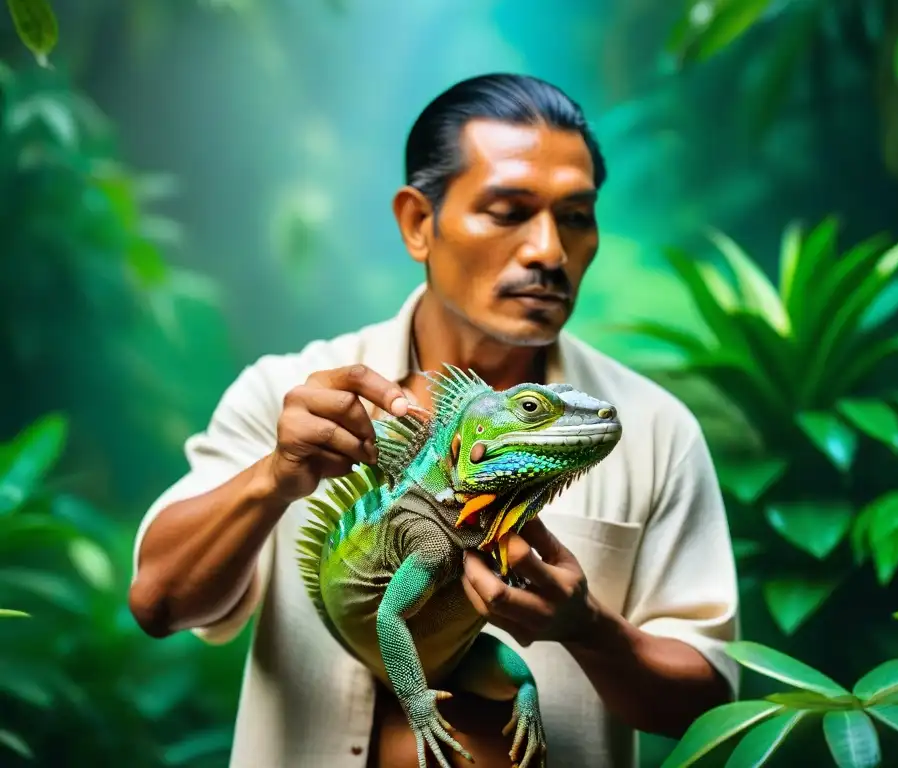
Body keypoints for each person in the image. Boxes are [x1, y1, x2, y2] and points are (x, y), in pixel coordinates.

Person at [129, 72, 740, 768]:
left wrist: (590, 629)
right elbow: (159, 603)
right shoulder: (288, 393)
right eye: (509, 211)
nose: (549, 251)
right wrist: (275, 478)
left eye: (575, 216)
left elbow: (710, 703)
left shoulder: (650, 428)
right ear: (420, 223)